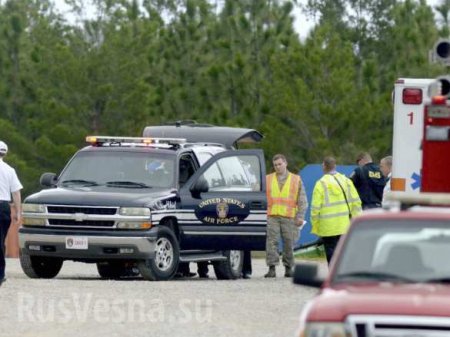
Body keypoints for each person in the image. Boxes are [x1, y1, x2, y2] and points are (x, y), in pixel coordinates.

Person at [311, 156, 361, 264]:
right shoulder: (346, 181)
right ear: (335, 166)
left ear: (323, 166)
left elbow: (315, 208)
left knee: (331, 252)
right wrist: (356, 220)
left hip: (327, 226)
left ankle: (332, 275)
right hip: (344, 224)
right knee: (343, 252)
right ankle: (342, 275)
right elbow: (356, 202)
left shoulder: (321, 183)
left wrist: (315, 225)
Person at [265, 154, 307, 278]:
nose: (278, 167)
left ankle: (288, 268)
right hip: (272, 216)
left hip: (289, 217)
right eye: (275, 165)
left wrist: (300, 216)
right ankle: (271, 268)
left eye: (280, 164)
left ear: (285, 163)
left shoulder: (296, 179)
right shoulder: (268, 179)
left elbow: (302, 199)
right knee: (271, 242)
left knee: (289, 242)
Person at [0, 141, 22, 285]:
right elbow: (16, 193)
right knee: (0, 240)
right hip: (3, 208)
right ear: (5, 153)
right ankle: (0, 274)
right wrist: (18, 212)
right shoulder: (10, 170)